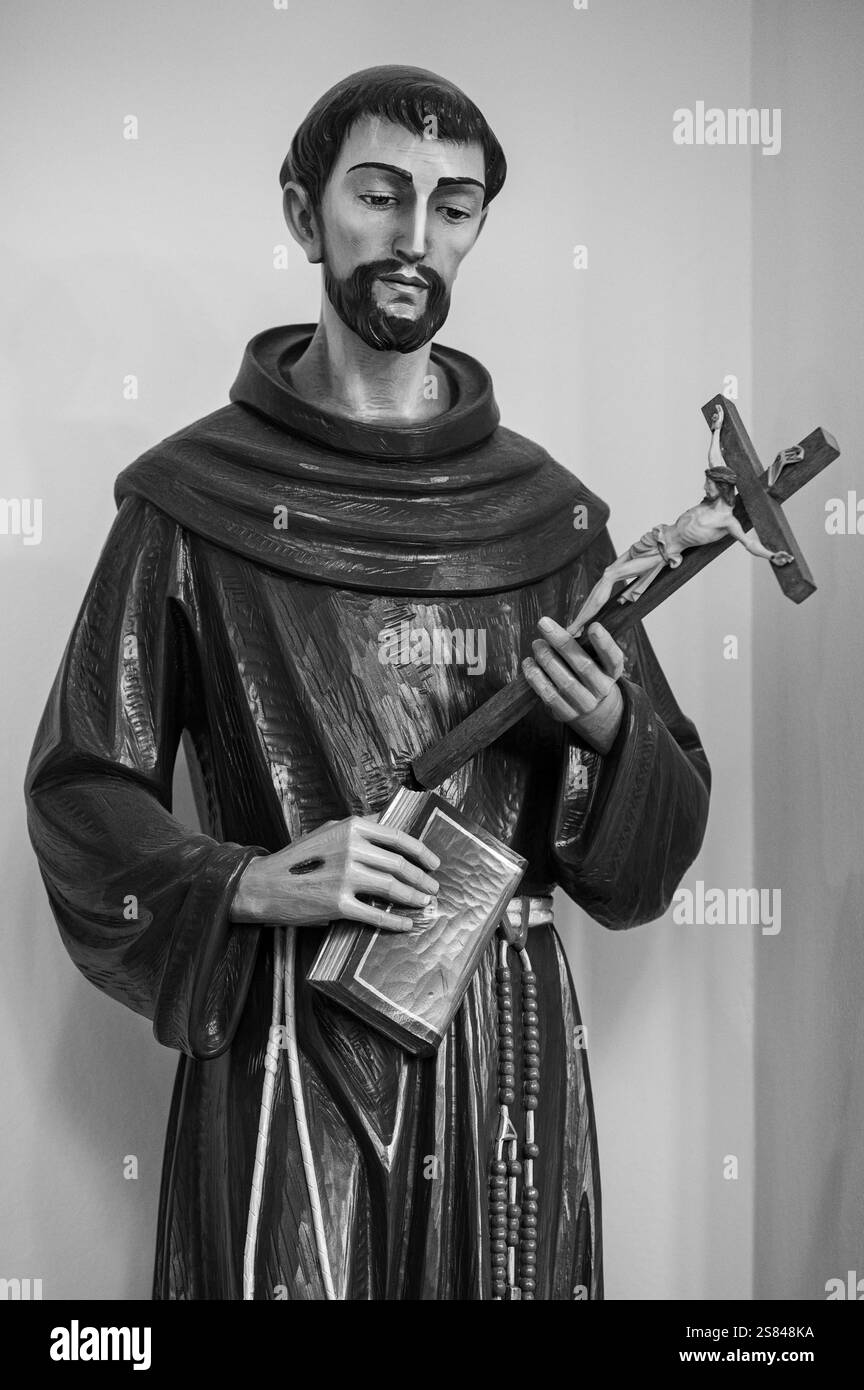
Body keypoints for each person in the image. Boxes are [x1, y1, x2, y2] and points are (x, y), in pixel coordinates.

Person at [25, 66, 710, 1300]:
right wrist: (244, 880)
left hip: (508, 1047)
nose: (413, 240)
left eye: (452, 207)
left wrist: (612, 731)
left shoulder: (546, 519)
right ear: (303, 214)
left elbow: (652, 859)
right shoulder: (194, 503)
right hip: (295, 1037)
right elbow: (80, 788)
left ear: (480, 229)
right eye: (379, 196)